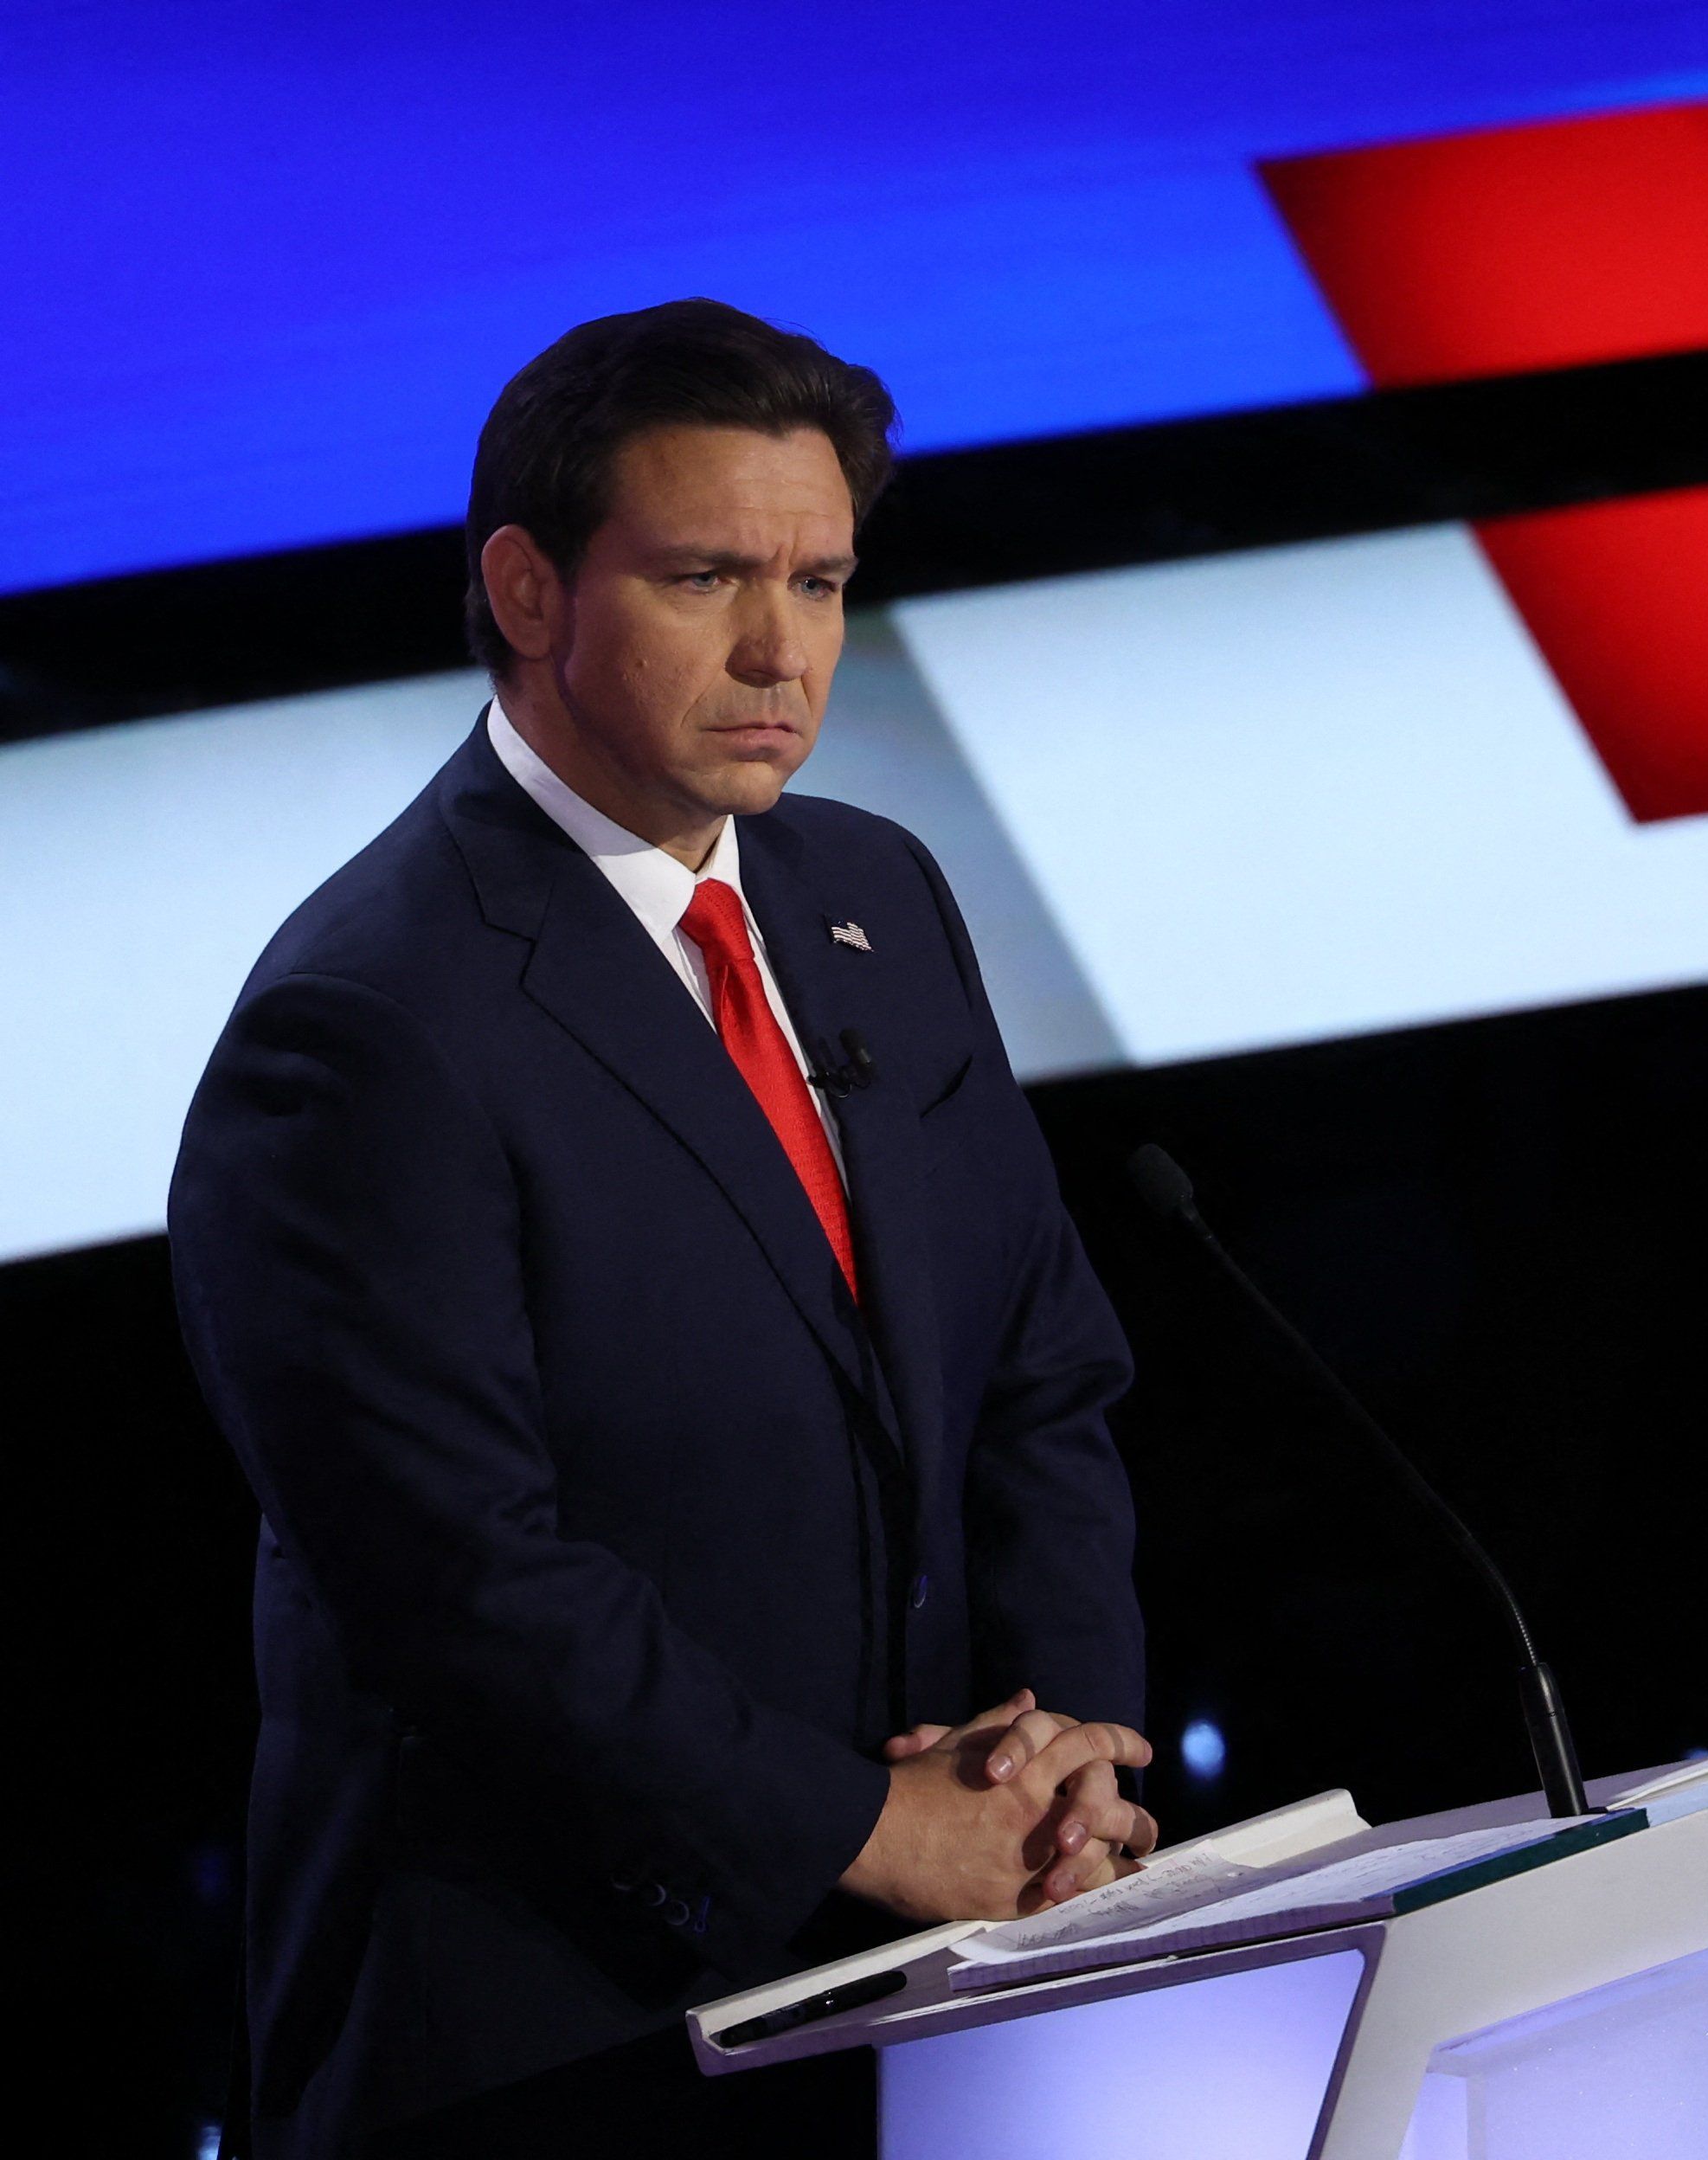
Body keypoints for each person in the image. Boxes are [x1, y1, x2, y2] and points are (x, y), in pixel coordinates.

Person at [170, 300, 1157, 2159]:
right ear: (529, 591)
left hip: (949, 1989)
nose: (783, 651)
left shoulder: (874, 889)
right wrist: (868, 1830)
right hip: (564, 2021)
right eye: (707, 577)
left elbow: (1041, 1378)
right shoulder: (369, 1023)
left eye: (823, 581)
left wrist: (1060, 1763)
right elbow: (461, 1580)